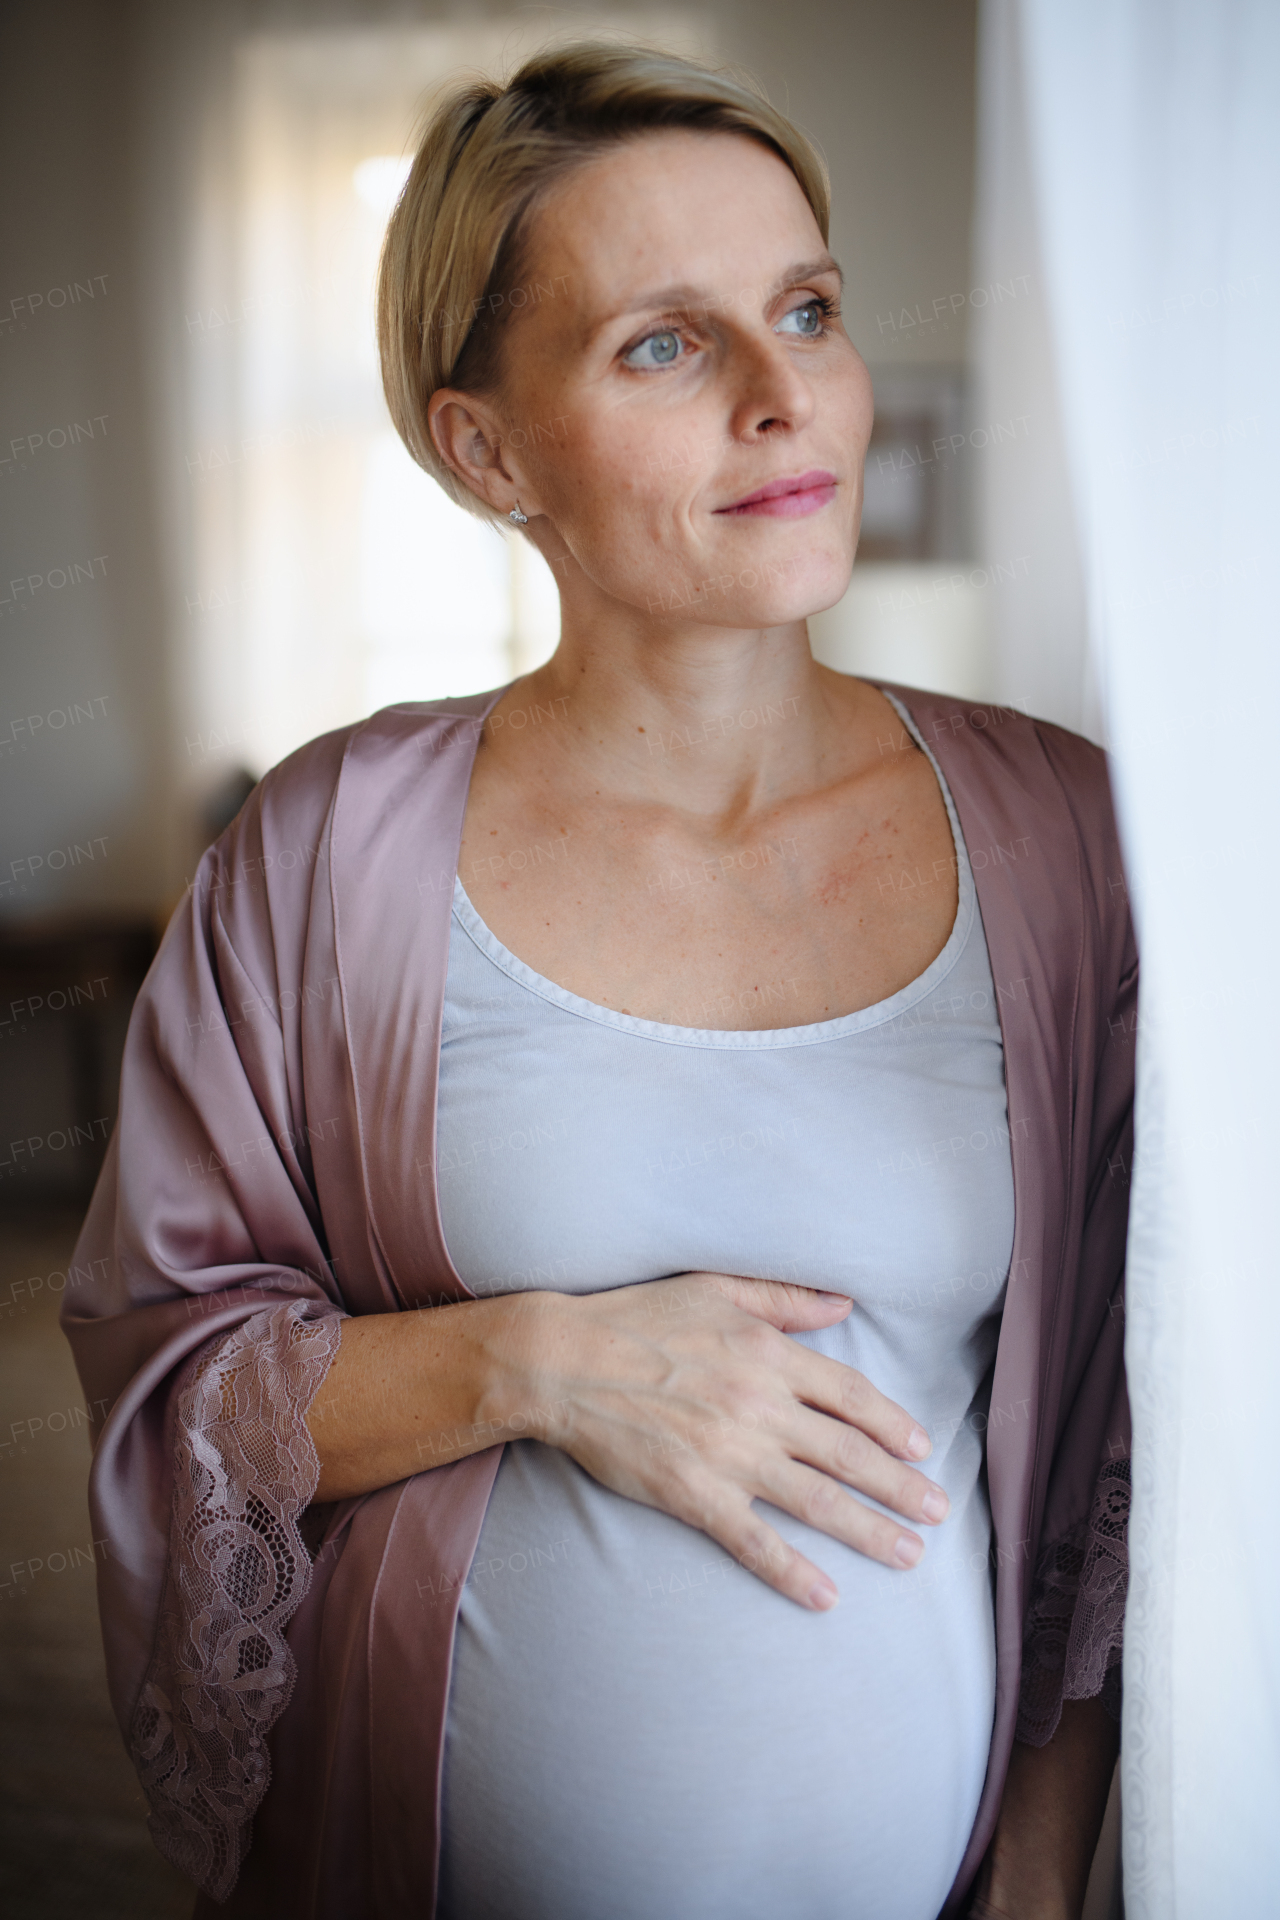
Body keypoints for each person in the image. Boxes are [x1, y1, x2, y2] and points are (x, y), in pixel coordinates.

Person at [63, 42, 1134, 1920]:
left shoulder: (1061, 842)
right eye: (664, 342)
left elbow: (1127, 1439)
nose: (784, 395)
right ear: (485, 448)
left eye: (805, 309)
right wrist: (537, 1362)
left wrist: (1043, 1883)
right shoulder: (328, 857)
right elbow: (172, 1379)